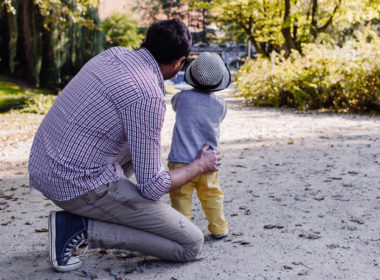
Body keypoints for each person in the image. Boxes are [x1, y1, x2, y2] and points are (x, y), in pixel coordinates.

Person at [28, 19, 222, 272]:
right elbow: (154, 187)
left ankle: (114, 206)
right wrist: (199, 165)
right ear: (179, 62)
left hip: (46, 164)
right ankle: (78, 228)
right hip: (74, 182)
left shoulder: (114, 54)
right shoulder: (148, 95)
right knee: (190, 243)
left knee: (140, 141)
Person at [168, 52, 230, 239]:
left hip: (180, 162)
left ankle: (184, 232)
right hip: (209, 161)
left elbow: (173, 105)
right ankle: (219, 228)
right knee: (212, 195)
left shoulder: (181, 98)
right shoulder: (220, 105)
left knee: (180, 199)